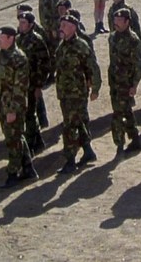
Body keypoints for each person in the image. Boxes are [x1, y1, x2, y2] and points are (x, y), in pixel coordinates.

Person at [0, 25, 38, 189]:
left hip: (14, 107)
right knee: (15, 137)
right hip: (3, 105)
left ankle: (13, 174)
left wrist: (12, 110)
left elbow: (20, 88)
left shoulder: (18, 59)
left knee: (13, 141)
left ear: (11, 39)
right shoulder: (1, 56)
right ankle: (28, 169)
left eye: (2, 38)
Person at [55, 15, 102, 174]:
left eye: (65, 25)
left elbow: (93, 67)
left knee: (70, 126)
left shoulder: (81, 46)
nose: (61, 28)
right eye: (61, 24)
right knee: (79, 122)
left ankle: (70, 160)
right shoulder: (62, 46)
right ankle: (88, 151)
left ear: (73, 27)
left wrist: (95, 88)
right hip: (64, 92)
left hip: (76, 93)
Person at [108, 8, 141, 155]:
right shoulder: (112, 37)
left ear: (127, 22)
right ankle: (134, 139)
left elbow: (139, 65)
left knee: (119, 113)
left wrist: (134, 84)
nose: (115, 23)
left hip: (126, 82)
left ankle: (120, 143)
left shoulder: (133, 40)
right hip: (114, 81)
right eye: (115, 20)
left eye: (119, 20)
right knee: (124, 111)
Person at [16, 12, 51, 156]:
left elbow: (45, 64)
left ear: (31, 25)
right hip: (21, 84)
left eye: (24, 23)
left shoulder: (37, 40)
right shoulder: (18, 39)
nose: (21, 25)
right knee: (26, 113)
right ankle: (38, 140)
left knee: (30, 114)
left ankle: (31, 143)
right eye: (20, 22)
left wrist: (38, 85)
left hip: (32, 83)